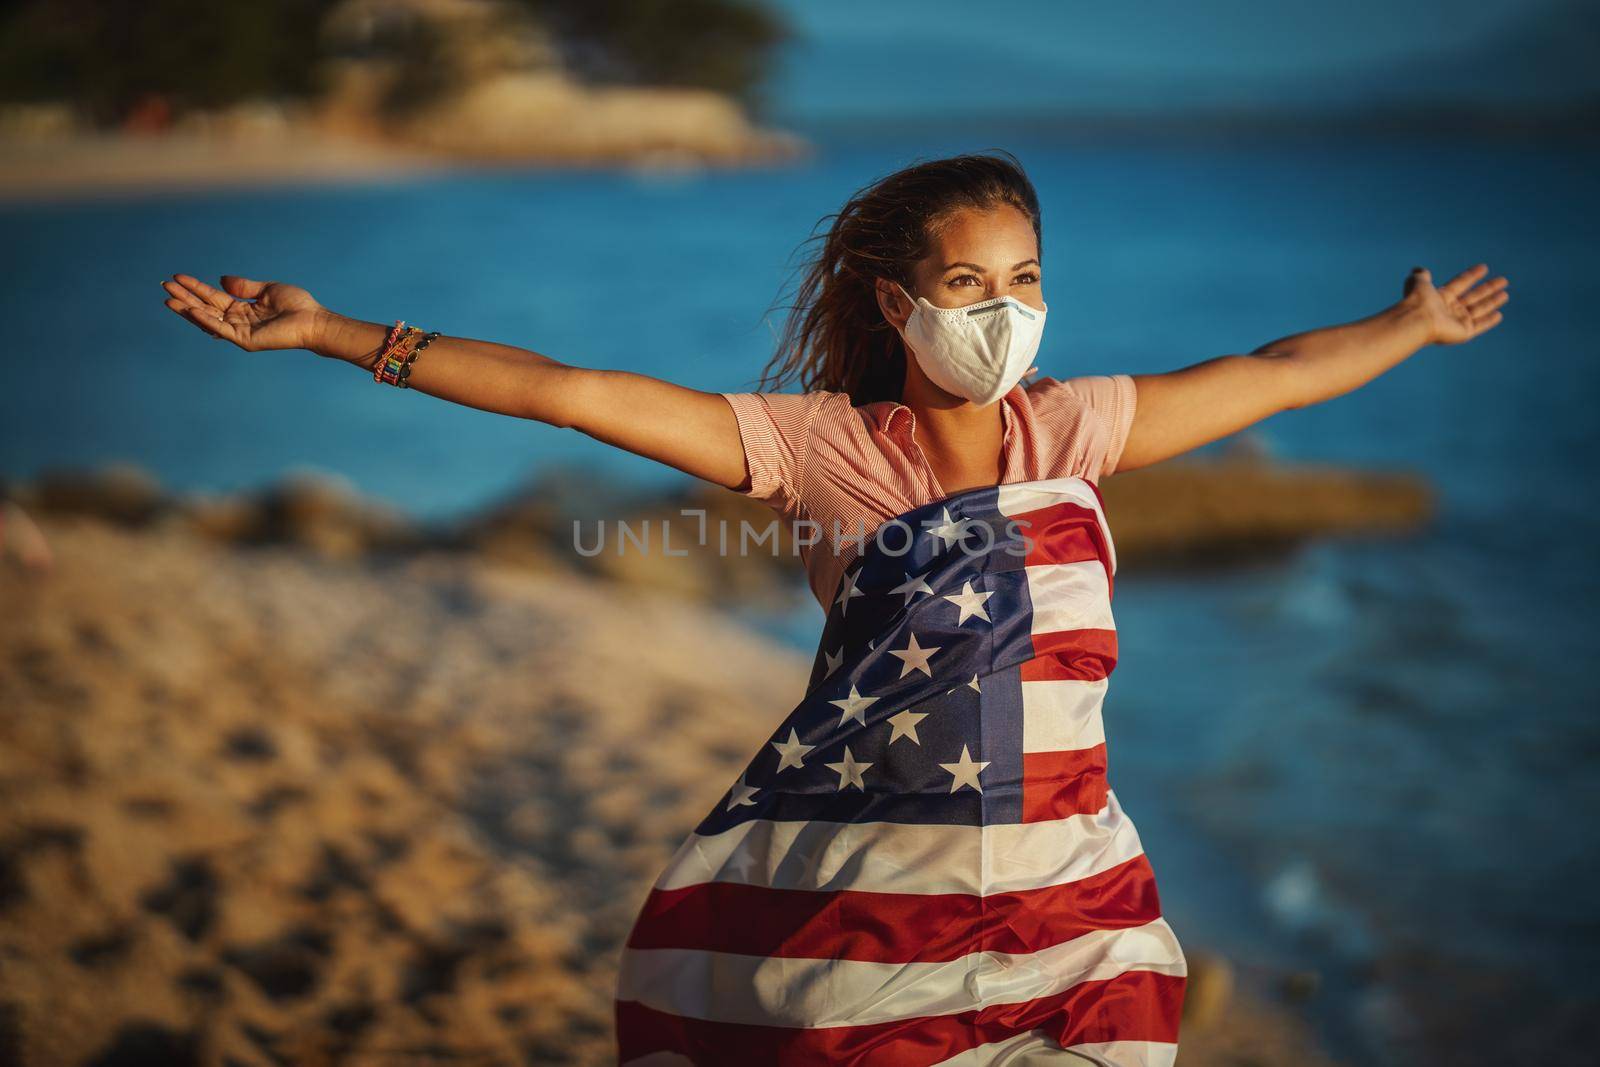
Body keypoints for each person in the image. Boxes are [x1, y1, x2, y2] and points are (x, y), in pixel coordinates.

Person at [160, 150, 1507, 1065]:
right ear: (895, 301)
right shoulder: (817, 446)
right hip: (878, 907)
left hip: (1071, 897)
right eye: (970, 285)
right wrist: (339, 333)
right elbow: (569, 391)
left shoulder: (1076, 428)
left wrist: (1410, 331)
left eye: (1026, 281)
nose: (1004, 312)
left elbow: (1269, 373)